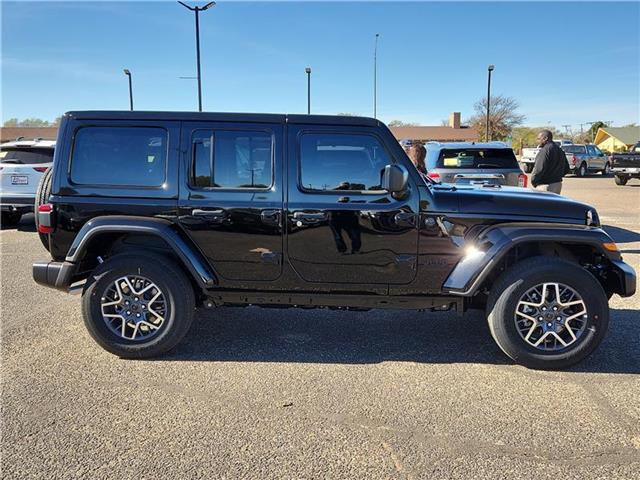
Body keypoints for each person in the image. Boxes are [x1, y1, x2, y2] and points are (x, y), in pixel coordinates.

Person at [531, 130, 570, 194]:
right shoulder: (559, 150)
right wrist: (556, 177)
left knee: (543, 204)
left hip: (545, 185)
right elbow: (566, 169)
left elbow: (539, 169)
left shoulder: (545, 150)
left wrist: (534, 182)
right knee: (553, 204)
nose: (537, 141)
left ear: (545, 138)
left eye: (539, 139)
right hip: (557, 185)